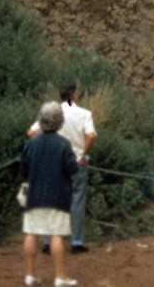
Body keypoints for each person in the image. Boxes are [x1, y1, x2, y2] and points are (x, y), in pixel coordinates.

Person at [29, 82, 97, 253]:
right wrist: (83, 155)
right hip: (75, 161)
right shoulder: (84, 113)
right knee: (77, 200)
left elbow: (31, 133)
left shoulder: (52, 112)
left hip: (52, 162)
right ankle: (76, 242)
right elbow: (91, 135)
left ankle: (47, 242)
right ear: (74, 96)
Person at [20, 101, 80, 287]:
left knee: (31, 233)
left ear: (41, 120)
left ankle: (30, 275)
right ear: (59, 122)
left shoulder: (31, 143)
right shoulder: (64, 144)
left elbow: (23, 168)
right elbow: (73, 169)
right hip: (57, 196)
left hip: (34, 195)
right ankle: (60, 277)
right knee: (56, 235)